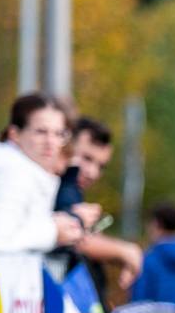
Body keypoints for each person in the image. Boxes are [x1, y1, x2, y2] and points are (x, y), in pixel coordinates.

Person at [0, 93, 87, 253]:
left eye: (59, 134)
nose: (51, 142)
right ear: (15, 134)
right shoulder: (11, 172)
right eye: (41, 132)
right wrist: (53, 231)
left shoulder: (24, 169)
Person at [54, 116, 143, 291]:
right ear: (66, 146)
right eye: (87, 158)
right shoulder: (60, 187)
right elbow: (74, 237)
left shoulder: (69, 189)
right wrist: (126, 251)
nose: (93, 173)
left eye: (101, 166)